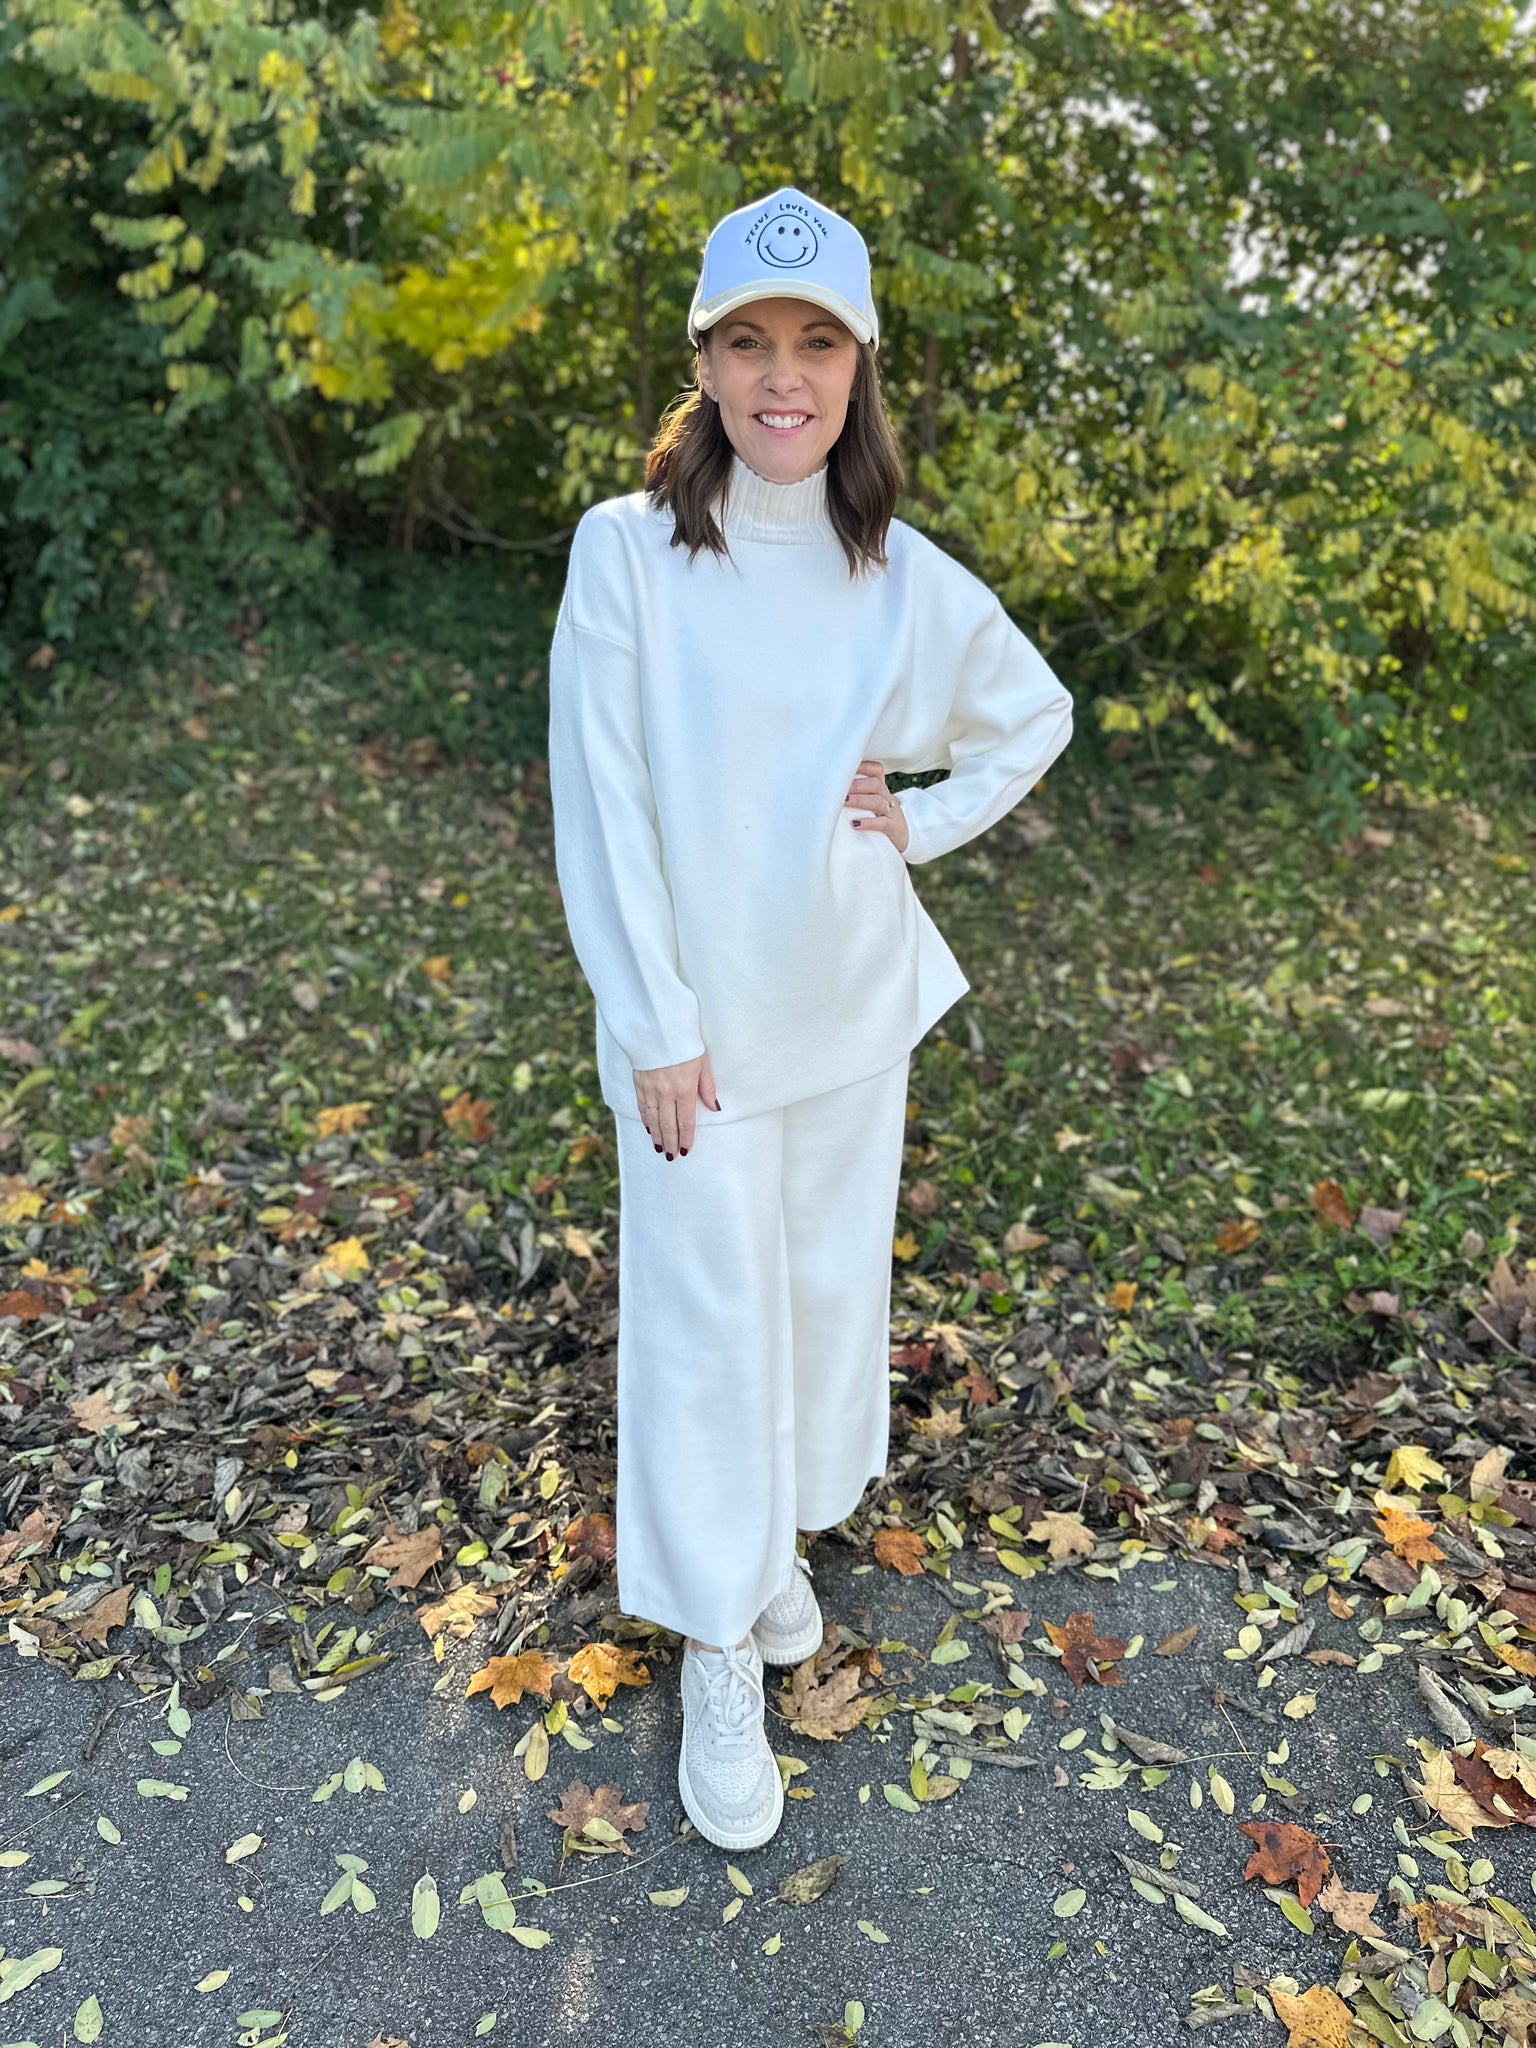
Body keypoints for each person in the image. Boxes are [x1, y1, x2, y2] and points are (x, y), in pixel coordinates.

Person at [547, 184, 1075, 1851]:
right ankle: (719, 1641)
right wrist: (652, 1019)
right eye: (752, 342)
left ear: (860, 369)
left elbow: (1032, 715)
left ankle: (767, 1550)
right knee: (706, 1325)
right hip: (697, 1039)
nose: (786, 376)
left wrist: (918, 817)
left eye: (819, 343)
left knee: (821, 1305)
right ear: (704, 361)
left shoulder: (894, 573)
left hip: (849, 1009)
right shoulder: (628, 553)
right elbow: (603, 802)